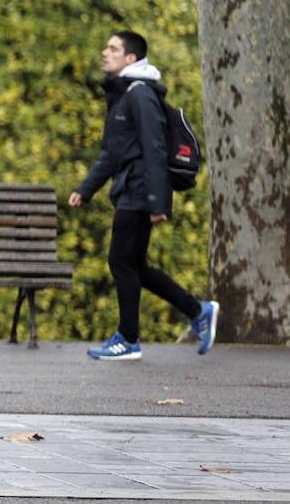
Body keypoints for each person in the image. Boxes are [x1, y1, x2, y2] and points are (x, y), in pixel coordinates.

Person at [69, 31, 218, 361]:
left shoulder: (140, 95)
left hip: (140, 190)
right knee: (135, 264)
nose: (104, 52)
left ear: (130, 58)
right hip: (132, 187)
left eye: (112, 48)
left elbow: (155, 148)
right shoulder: (123, 96)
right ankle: (198, 310)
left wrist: (157, 202)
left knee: (120, 260)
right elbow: (111, 153)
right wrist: (85, 189)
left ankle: (128, 339)